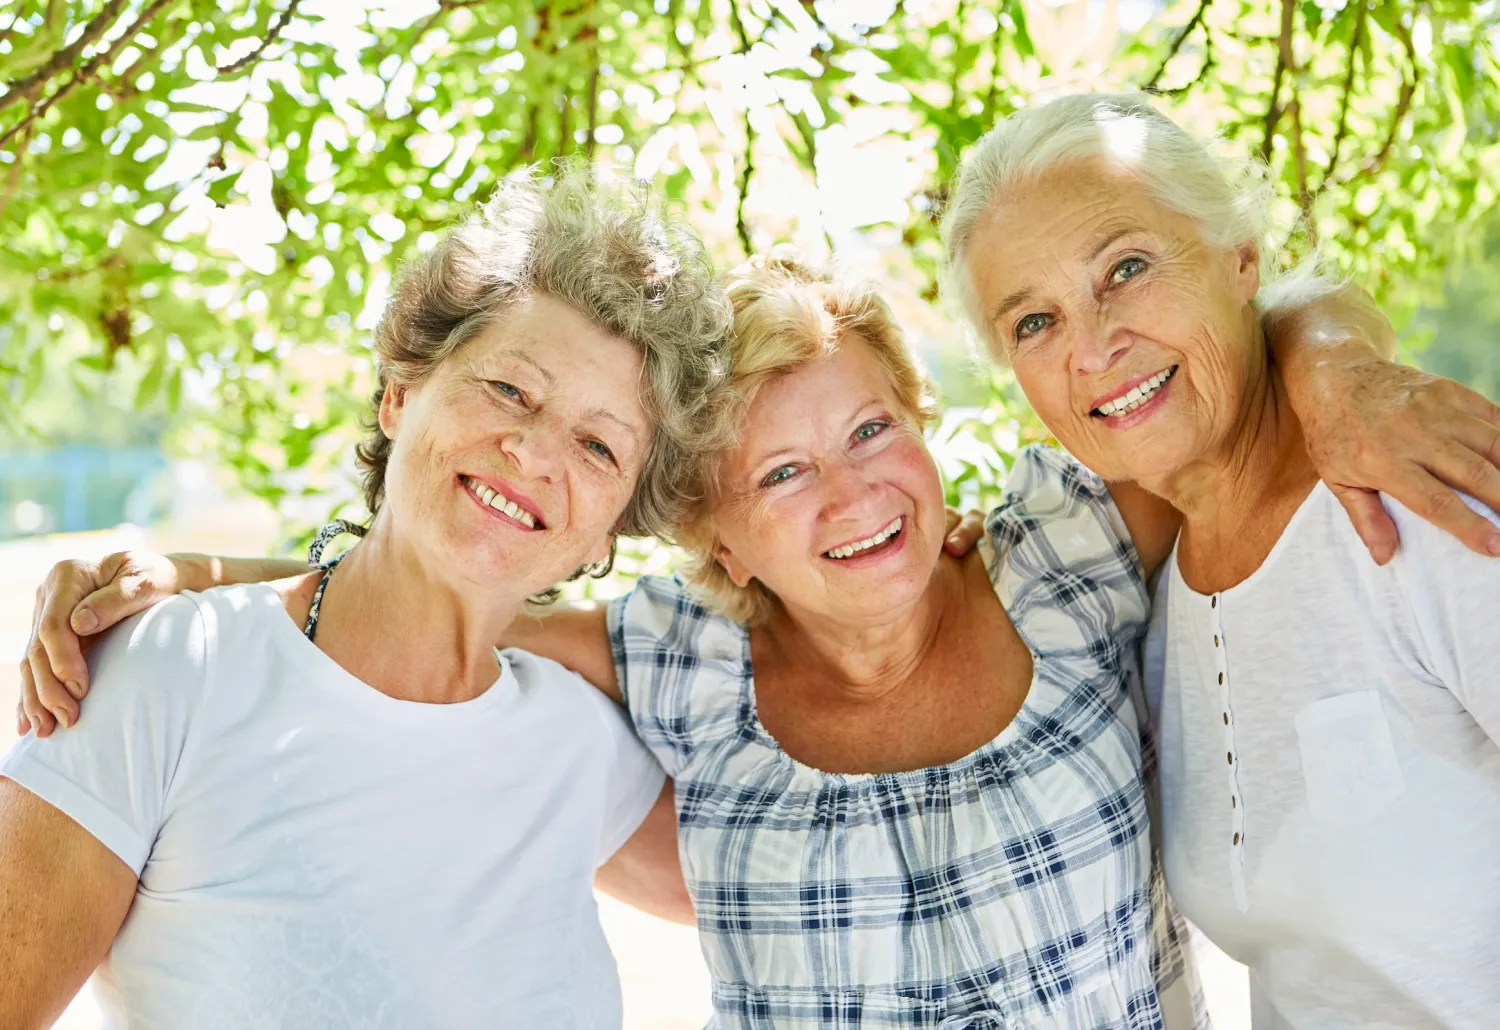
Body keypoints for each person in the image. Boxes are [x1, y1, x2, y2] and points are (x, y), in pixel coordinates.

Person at [22, 245, 1498, 1028]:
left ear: (928, 431)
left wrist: (1340, 361)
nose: (853, 494)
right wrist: (193, 566)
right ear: (714, 537)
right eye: (782, 474)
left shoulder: (1071, 547)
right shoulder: (673, 660)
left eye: (872, 431)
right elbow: (450, 572)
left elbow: (1233, 351)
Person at [0, 166, 735, 1029]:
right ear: (399, 392)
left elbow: (821, 882)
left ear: (610, 530)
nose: (536, 454)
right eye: (509, 390)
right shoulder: (169, 667)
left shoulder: (584, 745)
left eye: (599, 448)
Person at [942, 92, 1500, 1027]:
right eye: (1032, 323)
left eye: (1125, 267)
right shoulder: (1144, 594)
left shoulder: (1419, 500)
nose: (1094, 346)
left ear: (1239, 257)